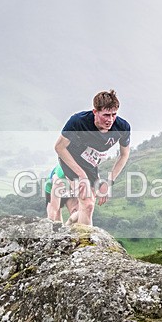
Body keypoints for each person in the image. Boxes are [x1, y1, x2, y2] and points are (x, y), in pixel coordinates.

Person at [54, 89, 131, 226]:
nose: (110, 120)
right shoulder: (78, 121)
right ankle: (85, 242)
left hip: (91, 164)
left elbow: (124, 155)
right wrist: (81, 175)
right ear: (95, 112)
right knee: (87, 203)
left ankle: (70, 223)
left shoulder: (122, 127)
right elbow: (59, 147)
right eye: (106, 115)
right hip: (71, 161)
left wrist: (109, 182)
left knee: (89, 204)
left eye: (114, 115)